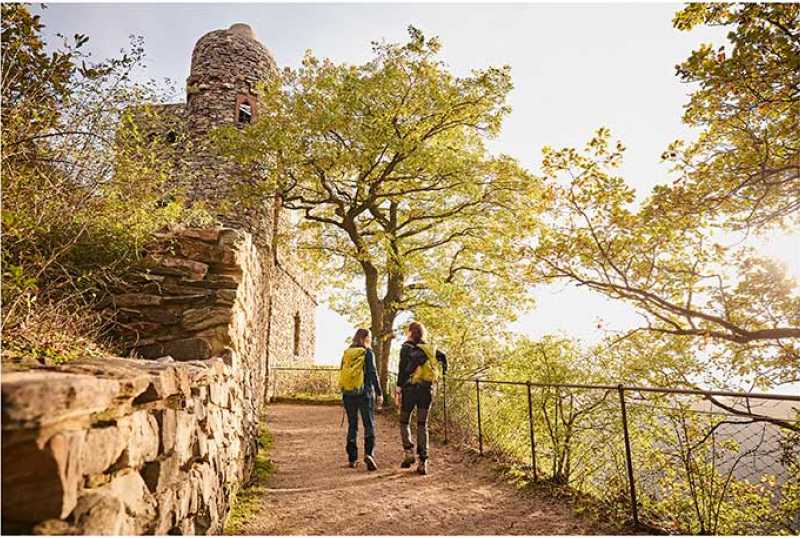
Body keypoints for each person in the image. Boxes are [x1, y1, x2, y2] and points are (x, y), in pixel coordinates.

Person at [395, 321, 447, 475]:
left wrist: (398, 388)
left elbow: (402, 370)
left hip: (410, 390)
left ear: (410, 332)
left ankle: (409, 452)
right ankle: (423, 461)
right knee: (422, 424)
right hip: (426, 390)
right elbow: (443, 358)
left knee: (404, 421)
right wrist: (443, 375)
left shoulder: (406, 348)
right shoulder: (429, 348)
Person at [338, 328, 383, 470]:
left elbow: (342, 371)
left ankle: (352, 459)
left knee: (352, 425)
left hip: (349, 393)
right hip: (365, 393)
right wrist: (379, 393)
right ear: (365, 338)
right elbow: (372, 372)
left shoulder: (347, 352)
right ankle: (369, 454)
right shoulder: (367, 352)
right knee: (368, 424)